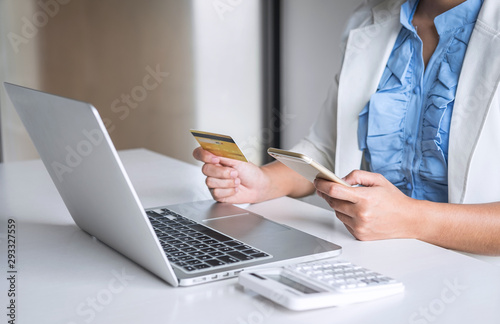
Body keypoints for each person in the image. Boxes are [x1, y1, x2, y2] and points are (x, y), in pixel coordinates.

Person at [193, 0, 500, 255]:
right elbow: (328, 149)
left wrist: (412, 219)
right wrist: (262, 182)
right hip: (375, 259)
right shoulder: (368, 19)